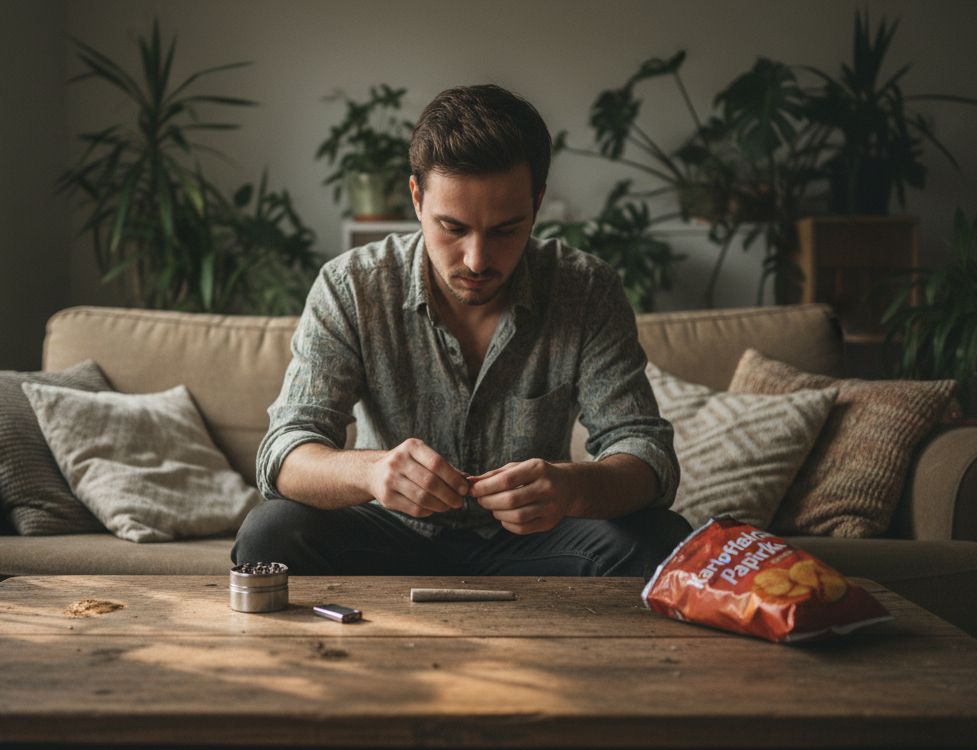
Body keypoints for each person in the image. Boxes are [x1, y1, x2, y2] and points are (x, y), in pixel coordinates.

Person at [233, 84, 688, 576]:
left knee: (664, 540)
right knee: (270, 533)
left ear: (537, 204)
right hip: (388, 532)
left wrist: (571, 488)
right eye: (452, 228)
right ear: (416, 198)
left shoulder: (586, 289)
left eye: (504, 230)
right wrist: (372, 472)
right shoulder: (351, 287)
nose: (476, 260)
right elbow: (283, 454)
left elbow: (646, 454)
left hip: (533, 543)